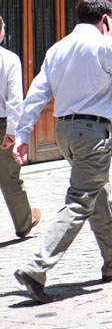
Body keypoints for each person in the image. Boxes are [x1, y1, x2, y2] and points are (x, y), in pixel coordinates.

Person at [12, 0, 112, 303]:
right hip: (92, 132)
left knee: (101, 197)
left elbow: (37, 92)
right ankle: (36, 267)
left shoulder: (58, 48)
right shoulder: (105, 44)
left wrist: (23, 134)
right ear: (105, 19)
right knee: (82, 200)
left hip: (64, 132)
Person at [0, 15, 41, 239]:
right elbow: (15, 99)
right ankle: (24, 222)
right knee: (10, 178)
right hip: (1, 124)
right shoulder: (9, 59)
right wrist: (11, 131)